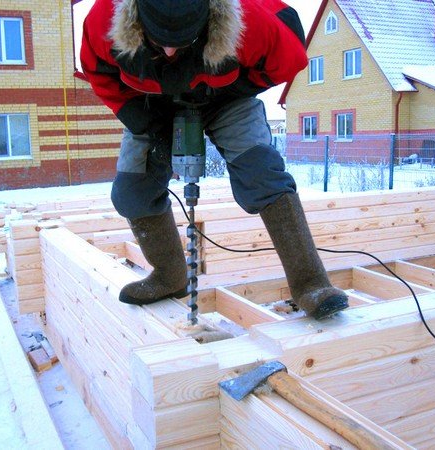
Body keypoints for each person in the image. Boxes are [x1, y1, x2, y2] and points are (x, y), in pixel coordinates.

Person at [80, 0, 349, 320]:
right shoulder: (104, 22)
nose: (168, 52)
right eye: (158, 42)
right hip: (152, 105)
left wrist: (235, 87)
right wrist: (143, 121)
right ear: (137, 19)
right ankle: (169, 277)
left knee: (261, 174)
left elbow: (290, 59)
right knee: (132, 191)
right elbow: (98, 73)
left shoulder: (246, 21)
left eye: (182, 42)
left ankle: (311, 284)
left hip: (225, 99)